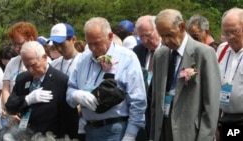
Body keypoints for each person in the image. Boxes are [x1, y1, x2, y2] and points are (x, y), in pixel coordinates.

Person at [66, 17, 147, 141]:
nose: (92, 48)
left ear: (110, 36)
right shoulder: (83, 59)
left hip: (115, 130)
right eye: (89, 43)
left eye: (97, 43)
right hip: (89, 129)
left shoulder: (127, 58)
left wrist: (130, 134)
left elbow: (137, 100)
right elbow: (70, 90)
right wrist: (75, 94)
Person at [150, 9, 221, 141]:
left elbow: (211, 104)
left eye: (169, 35)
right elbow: (155, 100)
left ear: (182, 26)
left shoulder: (204, 53)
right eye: (161, 36)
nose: (165, 41)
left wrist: (205, 138)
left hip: (190, 133)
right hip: (162, 130)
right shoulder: (160, 55)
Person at [5, 41, 78, 139]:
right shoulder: (22, 79)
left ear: (44, 57)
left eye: (34, 65)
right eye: (27, 66)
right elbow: (10, 107)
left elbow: (69, 120)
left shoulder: (61, 81)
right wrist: (27, 99)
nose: (30, 70)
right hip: (26, 135)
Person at [48, 23, 83, 140]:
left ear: (73, 39)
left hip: (81, 124)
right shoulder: (54, 64)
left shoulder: (84, 61)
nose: (58, 48)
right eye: (55, 45)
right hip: (58, 123)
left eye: (62, 44)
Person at [217, 7, 243, 141]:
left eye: (235, 31)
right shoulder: (222, 49)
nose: (230, 37)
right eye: (226, 33)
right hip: (225, 117)